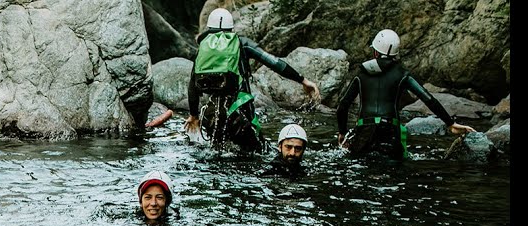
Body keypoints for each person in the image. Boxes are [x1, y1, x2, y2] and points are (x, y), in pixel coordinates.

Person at [184, 8, 321, 152]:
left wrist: (194, 115)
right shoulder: (241, 43)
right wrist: (302, 80)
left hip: (212, 115)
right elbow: (274, 63)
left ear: (209, 28)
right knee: (258, 153)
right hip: (240, 112)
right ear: (231, 28)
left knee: (218, 154)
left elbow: (193, 85)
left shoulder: (203, 48)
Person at [336, 29, 476, 159]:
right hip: (390, 134)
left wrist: (342, 132)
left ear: (376, 52)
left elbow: (343, 106)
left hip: (363, 135)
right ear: (395, 54)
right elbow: (428, 98)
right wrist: (450, 123)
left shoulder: (361, 75)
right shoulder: (402, 74)